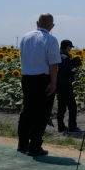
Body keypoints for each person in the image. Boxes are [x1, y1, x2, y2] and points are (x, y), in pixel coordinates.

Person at [18, 13, 61, 156]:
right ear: (52, 26)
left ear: (37, 23)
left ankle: (22, 144)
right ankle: (35, 147)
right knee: (41, 114)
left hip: (26, 78)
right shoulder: (51, 39)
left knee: (27, 112)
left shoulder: (25, 37)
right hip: (42, 79)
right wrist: (53, 82)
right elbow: (53, 64)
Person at [57, 39, 82, 134]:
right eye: (70, 47)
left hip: (58, 84)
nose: (71, 49)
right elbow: (66, 72)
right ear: (67, 47)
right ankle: (72, 127)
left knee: (61, 106)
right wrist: (74, 71)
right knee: (72, 106)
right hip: (66, 85)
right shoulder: (66, 58)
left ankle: (61, 126)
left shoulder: (57, 56)